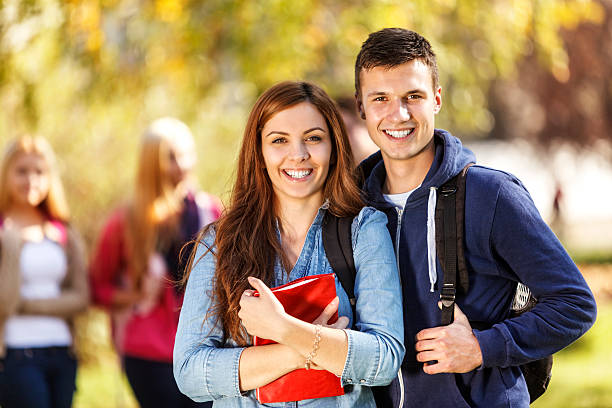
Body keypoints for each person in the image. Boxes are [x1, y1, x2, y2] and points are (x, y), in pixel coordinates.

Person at [353, 28, 597, 407]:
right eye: (380, 98)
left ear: (436, 99)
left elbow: (574, 303)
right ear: (361, 107)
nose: (397, 114)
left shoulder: (490, 195)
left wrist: (483, 348)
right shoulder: (350, 204)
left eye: (412, 96)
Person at [173, 81, 405, 407]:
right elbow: (189, 372)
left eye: (313, 138)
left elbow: (384, 359)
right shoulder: (220, 242)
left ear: (334, 147)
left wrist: (284, 329)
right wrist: (299, 352)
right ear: (260, 152)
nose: (298, 155)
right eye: (279, 140)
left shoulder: (363, 230)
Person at [90, 117, 222, 408]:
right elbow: (96, 287)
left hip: (204, 347)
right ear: (151, 163)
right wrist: (135, 296)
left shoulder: (211, 212)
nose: (183, 164)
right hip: (148, 352)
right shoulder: (126, 221)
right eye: (172, 157)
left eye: (187, 154)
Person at [0, 136, 89, 408]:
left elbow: (81, 299)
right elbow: (5, 305)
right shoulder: (4, 232)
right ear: (6, 174)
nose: (31, 180)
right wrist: (13, 249)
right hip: (16, 354)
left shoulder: (63, 232)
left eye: (39, 172)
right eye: (22, 171)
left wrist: (29, 305)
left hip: (62, 352)